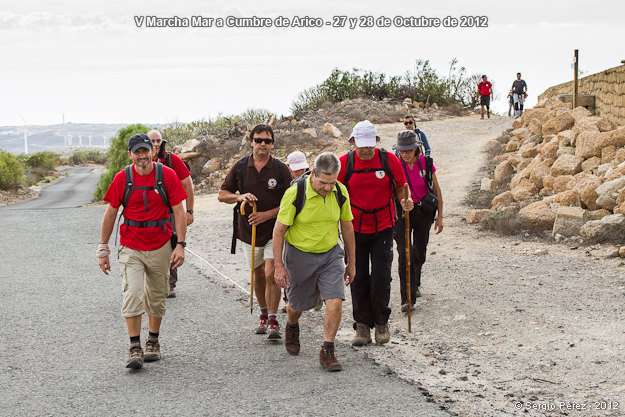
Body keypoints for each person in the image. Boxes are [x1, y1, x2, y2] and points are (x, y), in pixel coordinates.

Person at [97, 133, 187, 369]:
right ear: (130, 155)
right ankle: (134, 346)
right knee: (133, 294)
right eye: (137, 152)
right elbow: (111, 213)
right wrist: (103, 248)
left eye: (145, 151)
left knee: (157, 297)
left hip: (160, 245)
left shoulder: (166, 176)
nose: (142, 156)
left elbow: (179, 211)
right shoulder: (122, 178)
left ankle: (153, 342)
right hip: (131, 246)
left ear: (152, 152)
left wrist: (180, 245)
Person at [273, 152, 356, 371]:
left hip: (330, 254)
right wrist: (279, 267)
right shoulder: (295, 193)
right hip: (299, 254)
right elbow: (279, 232)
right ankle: (292, 325)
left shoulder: (340, 192)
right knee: (296, 305)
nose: (328, 188)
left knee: (335, 300)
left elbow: (347, 227)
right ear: (313, 175)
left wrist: (352, 262)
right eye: (323, 183)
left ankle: (327, 350)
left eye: (332, 182)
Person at [337, 120, 413, 346]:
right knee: (357, 276)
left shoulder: (389, 160)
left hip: (384, 226)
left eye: (370, 144)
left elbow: (401, 186)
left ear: (377, 142)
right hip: (354, 229)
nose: (366, 149)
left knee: (381, 277)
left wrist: (404, 200)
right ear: (352, 142)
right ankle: (362, 326)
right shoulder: (345, 163)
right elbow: (334, 192)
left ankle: (381, 323)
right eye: (361, 144)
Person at [218, 124, 291, 340]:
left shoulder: (280, 169)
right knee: (258, 274)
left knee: (271, 273)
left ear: (272, 144)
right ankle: (263, 314)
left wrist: (268, 215)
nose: (262, 144)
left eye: (267, 141)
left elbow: (291, 202)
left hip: (274, 232)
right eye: (258, 140)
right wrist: (239, 197)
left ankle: (274, 318)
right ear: (251, 141)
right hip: (247, 232)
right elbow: (222, 194)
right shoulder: (241, 167)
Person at [392, 131, 444, 312]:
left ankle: (415, 277)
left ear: (416, 148)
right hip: (401, 212)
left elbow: (437, 191)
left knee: (419, 250)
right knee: (404, 253)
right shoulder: (395, 165)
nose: (405, 154)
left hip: (423, 211)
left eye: (409, 150)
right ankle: (408, 298)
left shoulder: (427, 164)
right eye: (402, 150)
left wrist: (440, 217)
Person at [147, 129, 195, 298]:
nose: (155, 144)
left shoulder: (171, 160)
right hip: (150, 213)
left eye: (158, 141)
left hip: (172, 212)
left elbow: (187, 184)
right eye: (151, 141)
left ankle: (170, 284)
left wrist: (189, 211)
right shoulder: (141, 160)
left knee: (173, 244)